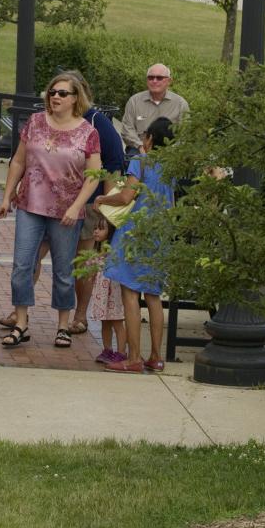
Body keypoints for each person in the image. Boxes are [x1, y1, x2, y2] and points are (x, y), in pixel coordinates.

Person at [0, 71, 126, 334]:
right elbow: (19, 160)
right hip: (31, 205)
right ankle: (20, 318)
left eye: (62, 93)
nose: (55, 96)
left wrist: (95, 205)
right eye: (52, 92)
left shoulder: (93, 128)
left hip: (74, 208)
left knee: (70, 267)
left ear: (77, 97)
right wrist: (7, 194)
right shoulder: (35, 122)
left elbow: (105, 169)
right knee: (24, 262)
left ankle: (70, 321)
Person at [98, 116, 177, 374]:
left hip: (136, 233)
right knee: (153, 297)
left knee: (130, 292)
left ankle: (133, 357)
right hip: (161, 234)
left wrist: (101, 199)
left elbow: (126, 196)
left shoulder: (139, 162)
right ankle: (156, 356)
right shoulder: (172, 167)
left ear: (150, 139)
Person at [83, 214, 126, 365]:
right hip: (101, 294)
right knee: (105, 322)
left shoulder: (113, 252)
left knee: (117, 322)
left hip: (113, 294)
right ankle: (107, 349)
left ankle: (121, 352)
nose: (96, 231)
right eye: (95, 228)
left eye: (101, 229)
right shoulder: (96, 252)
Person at [119, 63, 189, 153]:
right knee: (134, 160)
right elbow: (127, 130)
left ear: (169, 81)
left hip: (170, 152)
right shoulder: (134, 101)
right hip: (139, 148)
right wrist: (140, 147)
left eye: (159, 78)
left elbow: (185, 135)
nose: (154, 81)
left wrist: (169, 151)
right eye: (150, 77)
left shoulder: (180, 104)